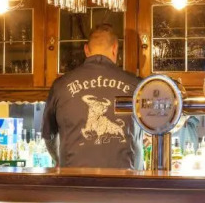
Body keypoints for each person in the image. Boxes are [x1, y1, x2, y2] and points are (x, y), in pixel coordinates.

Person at [42, 24, 143, 169]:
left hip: (74, 180)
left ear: (86, 50)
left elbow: (49, 135)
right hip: (126, 181)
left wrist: (61, 160)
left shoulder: (61, 86)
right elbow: (158, 123)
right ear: (115, 48)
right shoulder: (137, 85)